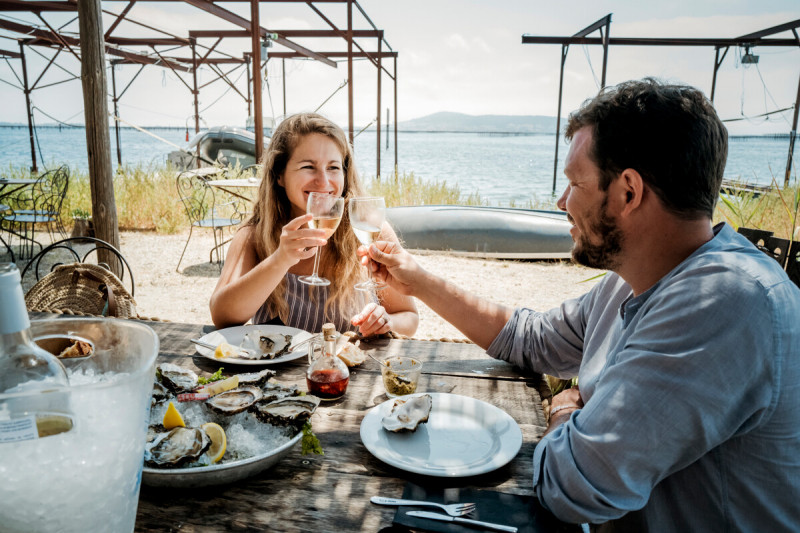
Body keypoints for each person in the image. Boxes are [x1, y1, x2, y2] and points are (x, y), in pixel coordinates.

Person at [359, 79, 800, 530]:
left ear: (629, 192)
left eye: (574, 183)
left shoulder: (724, 303)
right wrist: (418, 280)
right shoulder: (632, 279)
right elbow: (529, 337)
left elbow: (571, 486)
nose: (561, 202)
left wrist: (564, 410)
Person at [210, 113, 418, 337]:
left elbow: (409, 316)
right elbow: (222, 316)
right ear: (279, 175)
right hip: (276, 372)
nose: (324, 181)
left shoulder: (369, 230)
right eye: (309, 167)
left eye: (333, 168)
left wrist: (387, 322)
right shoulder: (254, 236)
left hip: (350, 371)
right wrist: (281, 259)